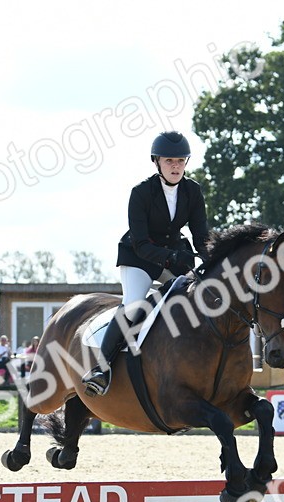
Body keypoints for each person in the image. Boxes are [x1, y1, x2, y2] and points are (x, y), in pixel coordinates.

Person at [82, 131, 209, 396]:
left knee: (200, 297)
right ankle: (102, 369)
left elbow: (201, 236)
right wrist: (171, 258)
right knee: (132, 306)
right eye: (169, 161)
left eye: (180, 161)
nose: (175, 166)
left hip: (175, 252)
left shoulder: (193, 191)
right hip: (139, 256)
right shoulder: (141, 192)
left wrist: (211, 259)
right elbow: (141, 242)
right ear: (157, 162)